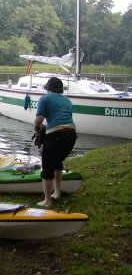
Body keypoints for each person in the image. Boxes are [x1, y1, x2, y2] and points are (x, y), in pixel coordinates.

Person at [34, 77, 77, 207]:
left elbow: (39, 119)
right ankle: (57, 192)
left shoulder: (44, 99)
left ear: (48, 89)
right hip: (71, 135)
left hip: (56, 136)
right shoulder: (67, 101)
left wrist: (36, 129)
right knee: (57, 162)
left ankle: (47, 201)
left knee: (47, 167)